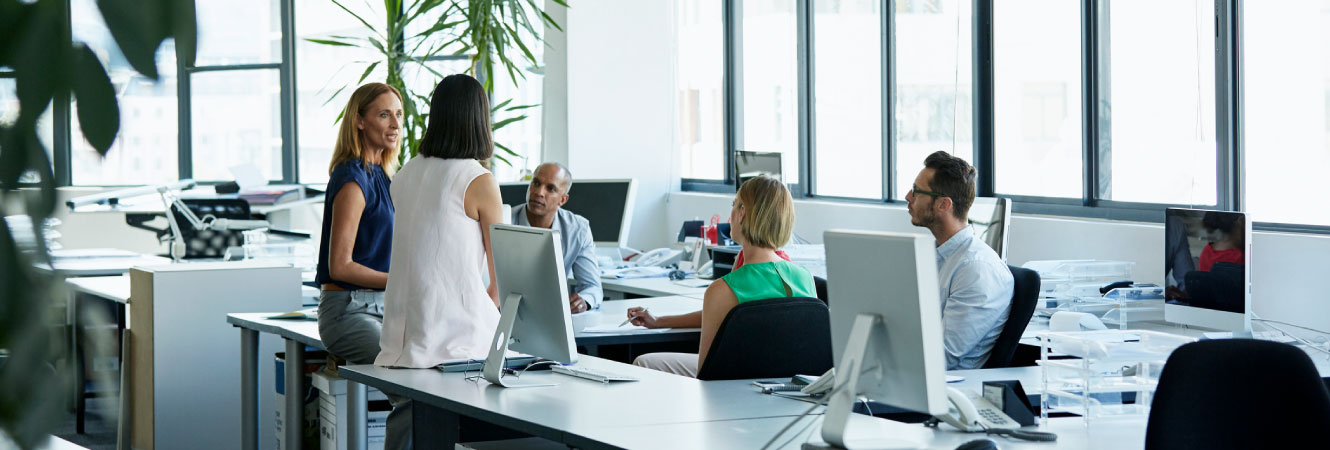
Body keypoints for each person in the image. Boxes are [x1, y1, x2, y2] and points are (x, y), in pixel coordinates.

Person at [375, 74, 504, 444]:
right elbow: (502, 278)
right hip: (454, 344)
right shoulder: (477, 180)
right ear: (480, 119)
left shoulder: (404, 175)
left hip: (402, 341)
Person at [630, 176, 816, 377]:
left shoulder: (723, 289)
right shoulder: (804, 277)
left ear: (742, 214)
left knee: (643, 362)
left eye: (734, 205)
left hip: (734, 388)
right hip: (788, 388)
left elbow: (707, 371)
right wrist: (659, 321)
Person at [312, 82, 407, 449]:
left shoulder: (383, 175)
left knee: (433, 387)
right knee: (413, 395)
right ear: (360, 121)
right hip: (347, 311)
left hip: (382, 309)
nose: (394, 123)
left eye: (398, 114)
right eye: (384, 114)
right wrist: (399, 281)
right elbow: (340, 265)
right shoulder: (353, 177)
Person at [905, 151, 1015, 370]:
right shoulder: (934, 256)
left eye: (917, 191)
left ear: (943, 205)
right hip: (906, 375)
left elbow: (942, 357)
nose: (908, 197)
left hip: (947, 391)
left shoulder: (976, 269)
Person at [511, 162, 603, 313]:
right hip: (506, 311)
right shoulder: (503, 220)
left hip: (551, 314)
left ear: (563, 200)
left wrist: (584, 300)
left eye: (550, 188)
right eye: (536, 183)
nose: (539, 192)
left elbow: (592, 286)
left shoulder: (578, 229)